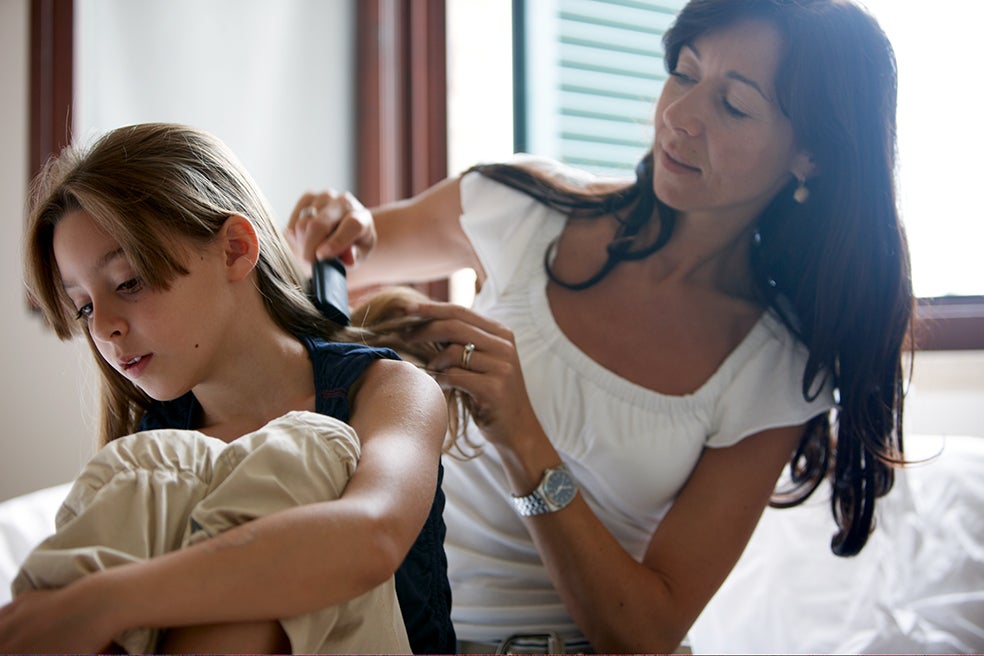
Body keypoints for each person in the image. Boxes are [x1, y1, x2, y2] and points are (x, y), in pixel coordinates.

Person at [285, 0, 913, 652]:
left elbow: (642, 635)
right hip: (372, 628)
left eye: (733, 105)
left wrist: (522, 437)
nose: (679, 116)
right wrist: (328, 222)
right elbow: (322, 263)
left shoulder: (771, 368)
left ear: (809, 156)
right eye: (684, 72)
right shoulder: (521, 207)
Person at [0, 123, 455, 653]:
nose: (103, 327)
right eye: (84, 306)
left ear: (235, 250)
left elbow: (372, 535)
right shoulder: (148, 457)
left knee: (301, 451)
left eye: (129, 282)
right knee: (142, 472)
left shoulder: (388, 390)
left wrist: (102, 602)